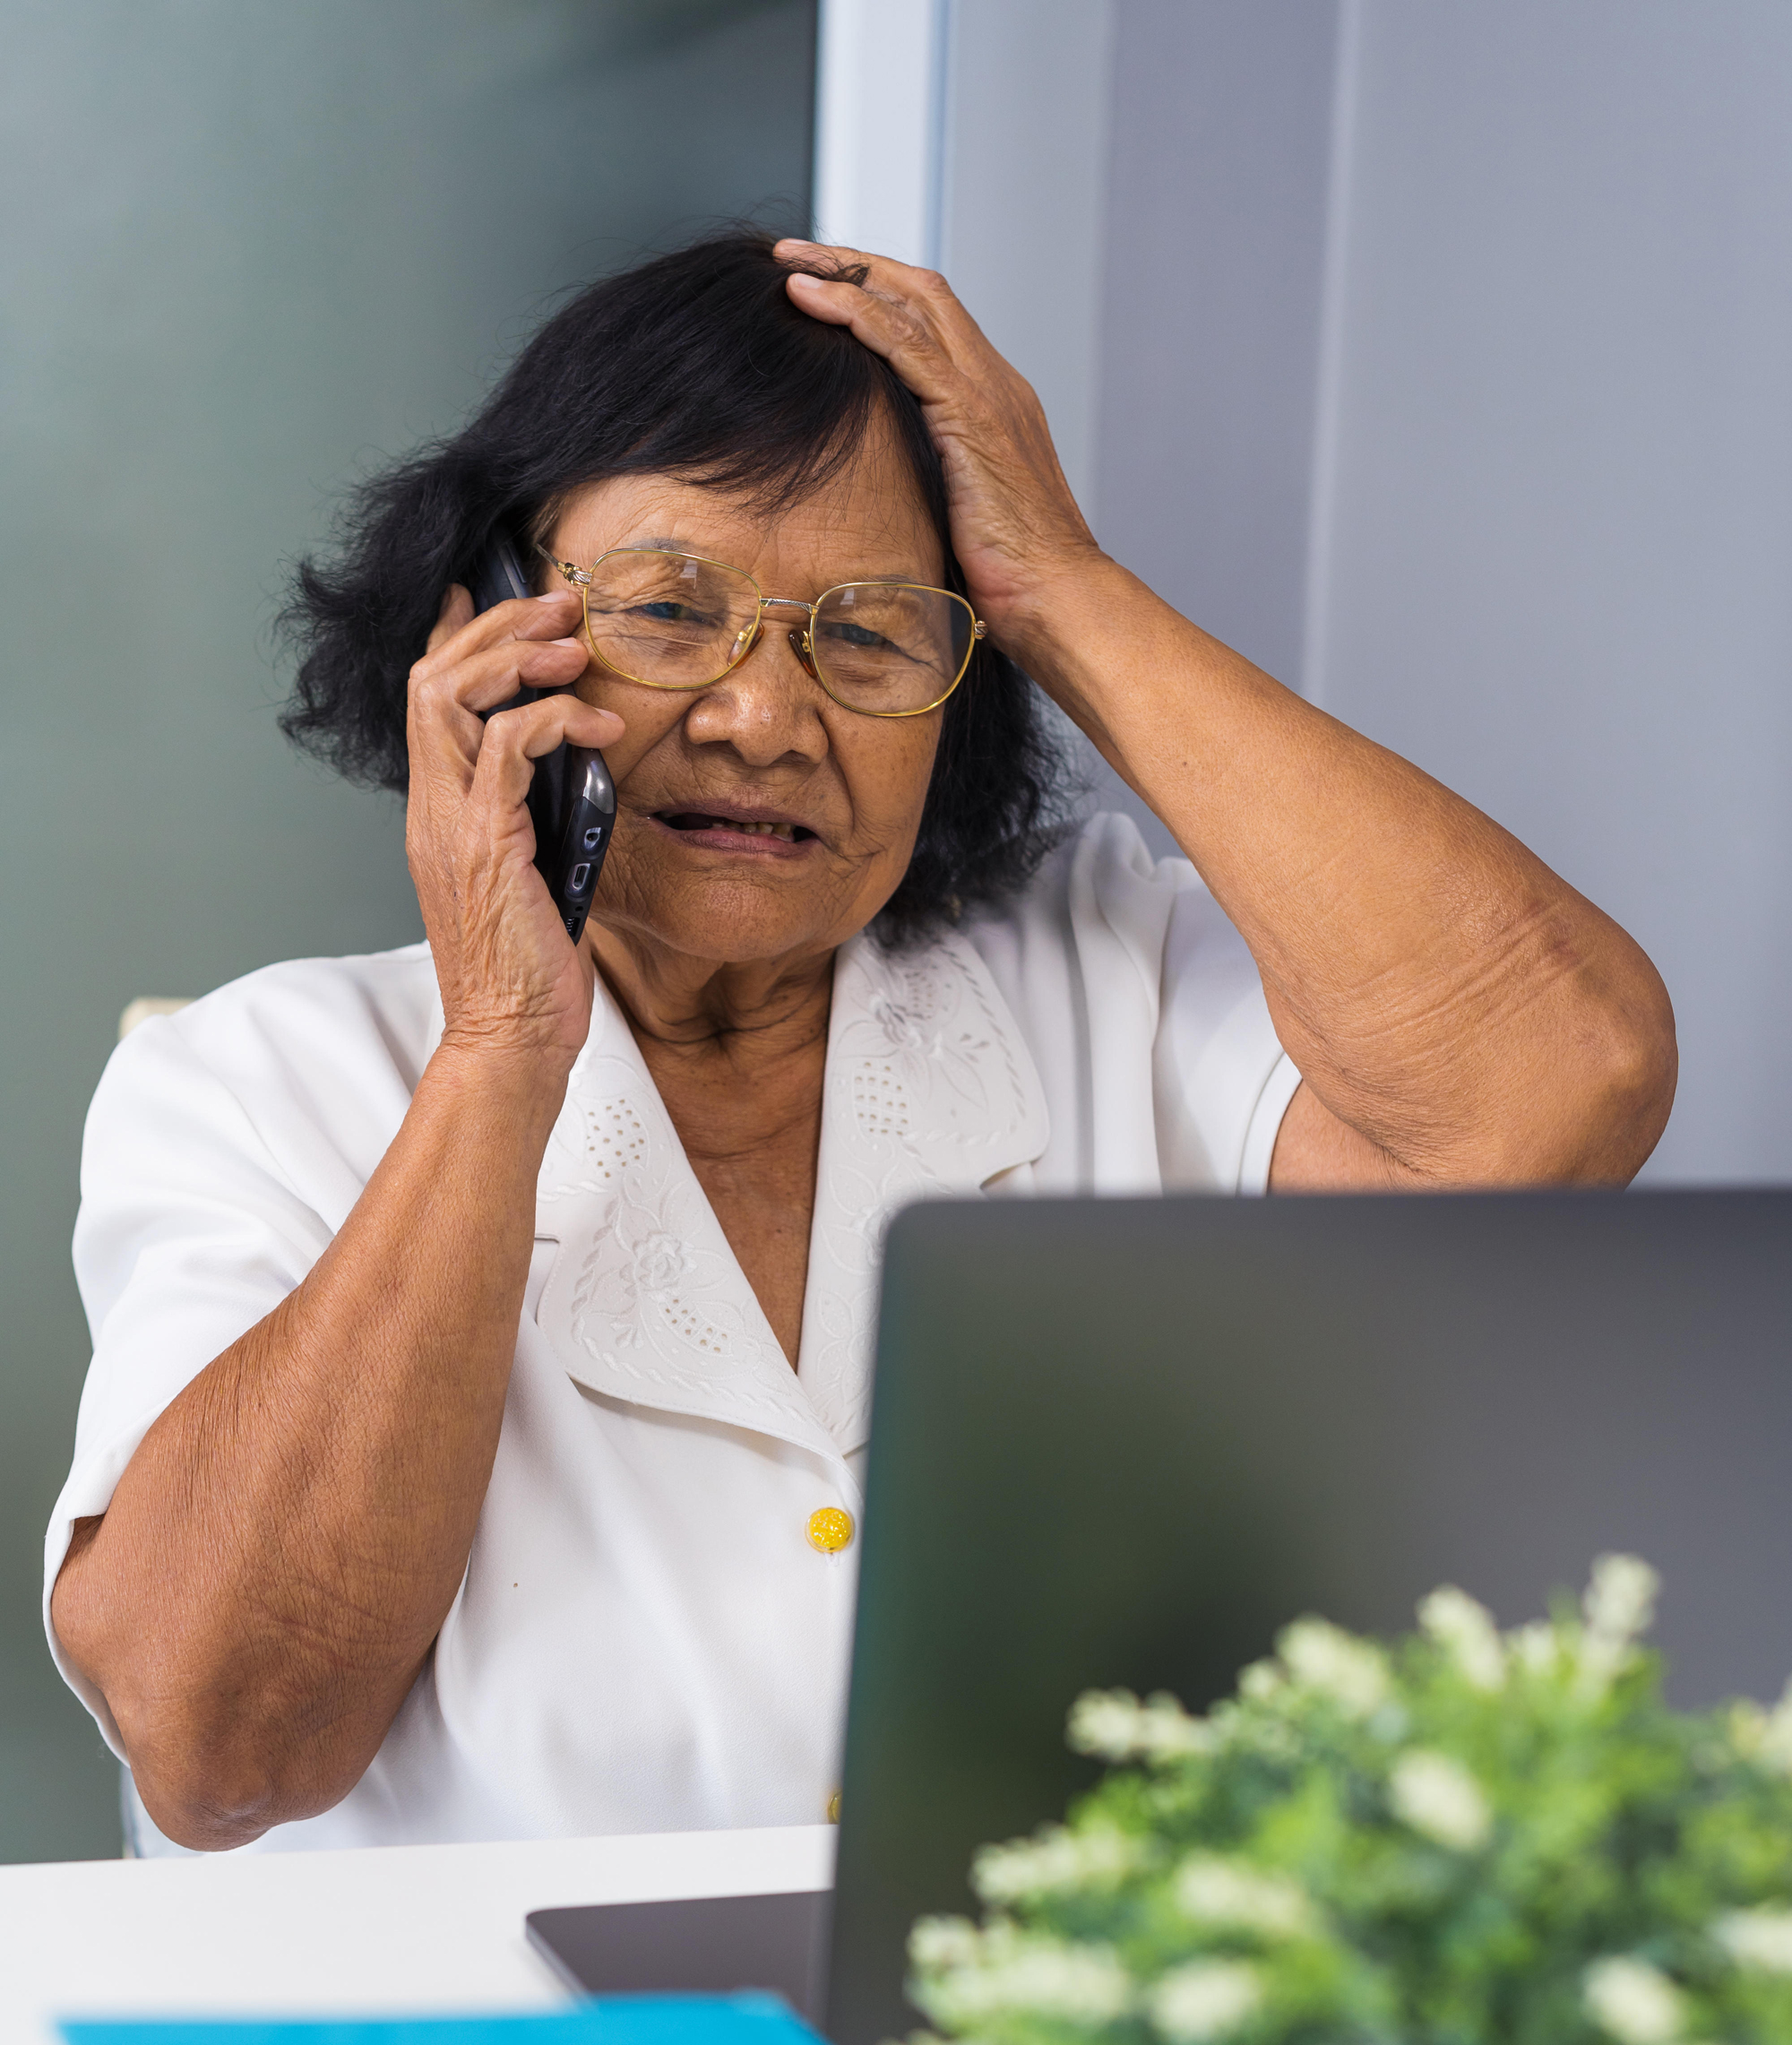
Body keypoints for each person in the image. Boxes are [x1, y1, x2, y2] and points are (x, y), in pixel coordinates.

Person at [46, 233, 1676, 1856]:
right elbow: (219, 1753)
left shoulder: (1108, 975)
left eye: (874, 634)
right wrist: (497, 1051)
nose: (765, 716)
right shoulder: (259, 1084)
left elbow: (1562, 1087)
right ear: (492, 638)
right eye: (672, 612)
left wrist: (1064, 588)